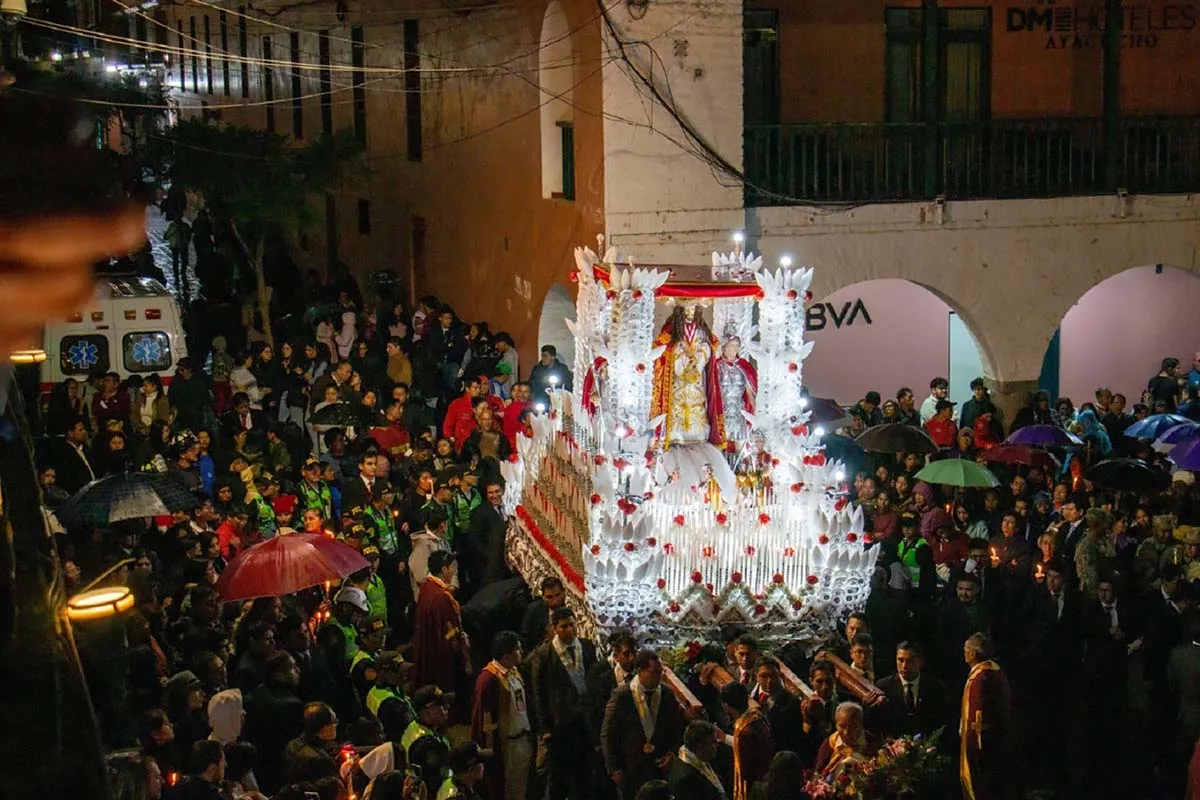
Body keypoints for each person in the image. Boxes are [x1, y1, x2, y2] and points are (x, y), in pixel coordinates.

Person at [529, 607, 597, 800]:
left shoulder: (586, 646)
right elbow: (538, 693)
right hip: (559, 725)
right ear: (554, 629)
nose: (569, 630)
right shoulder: (543, 655)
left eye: (572, 625)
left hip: (584, 722)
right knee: (558, 777)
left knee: (584, 774)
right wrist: (544, 728)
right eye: (564, 626)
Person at [601, 649, 687, 799]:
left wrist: (672, 754)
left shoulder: (666, 693)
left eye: (661, 672)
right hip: (630, 766)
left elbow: (677, 728)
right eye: (654, 672)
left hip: (659, 765)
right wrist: (613, 768)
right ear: (640, 671)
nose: (659, 677)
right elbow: (608, 733)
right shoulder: (622, 695)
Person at [650, 302, 728, 448]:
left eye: (693, 308)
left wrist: (698, 358)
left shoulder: (702, 331)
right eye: (687, 308)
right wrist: (681, 358)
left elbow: (708, 346)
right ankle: (674, 434)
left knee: (697, 403)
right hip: (677, 379)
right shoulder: (671, 332)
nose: (690, 311)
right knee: (677, 404)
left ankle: (698, 433)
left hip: (697, 377)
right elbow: (665, 349)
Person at [471, 630, 532, 800]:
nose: (521, 653)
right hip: (507, 745)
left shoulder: (514, 672)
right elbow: (485, 718)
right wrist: (490, 747)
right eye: (518, 650)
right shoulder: (489, 679)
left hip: (523, 738)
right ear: (506, 655)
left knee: (520, 787)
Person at [411, 550, 469, 702]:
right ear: (444, 570)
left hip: (428, 647)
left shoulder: (427, 587)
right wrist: (460, 652)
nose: (454, 571)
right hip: (441, 655)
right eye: (452, 567)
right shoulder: (441, 598)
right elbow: (448, 633)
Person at [960, 633, 1012, 800]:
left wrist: (975, 743)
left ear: (973, 654)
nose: (964, 654)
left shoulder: (981, 678)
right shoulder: (995, 671)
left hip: (984, 747)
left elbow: (978, 717)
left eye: (966, 650)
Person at [875, 642, 949, 738]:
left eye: (910, 661)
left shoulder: (935, 688)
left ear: (921, 662)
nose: (904, 666)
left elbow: (943, 722)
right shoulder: (884, 687)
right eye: (900, 660)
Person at [721, 682, 772, 800]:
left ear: (726, 706)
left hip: (754, 789)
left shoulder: (746, 731)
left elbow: (745, 772)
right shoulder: (758, 717)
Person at [402, 685, 454, 796]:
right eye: (441, 705)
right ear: (426, 711)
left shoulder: (414, 727)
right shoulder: (429, 745)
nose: (447, 707)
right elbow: (437, 783)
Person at [282, 701, 339, 785]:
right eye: (334, 722)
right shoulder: (321, 760)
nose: (336, 724)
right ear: (324, 728)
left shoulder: (292, 745)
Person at [666, 720, 725, 800]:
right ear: (700, 745)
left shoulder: (702, 759)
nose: (717, 745)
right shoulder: (686, 780)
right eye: (713, 742)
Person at [814, 702, 876, 778]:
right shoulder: (830, 743)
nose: (846, 732)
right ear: (836, 724)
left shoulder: (872, 741)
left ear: (861, 725)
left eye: (853, 726)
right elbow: (819, 773)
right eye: (842, 726)